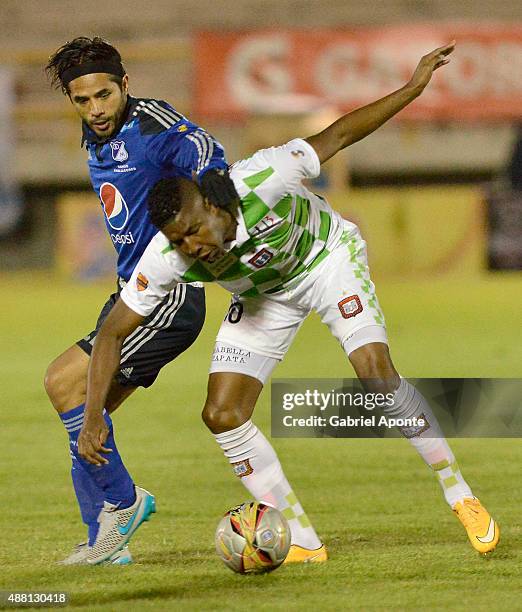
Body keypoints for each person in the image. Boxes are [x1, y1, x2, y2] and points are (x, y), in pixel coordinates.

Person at [79, 42, 499, 564]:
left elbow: (339, 135)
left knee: (375, 375)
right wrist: (94, 414)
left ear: (212, 206)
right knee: (222, 413)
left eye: (193, 232)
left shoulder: (262, 177)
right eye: (179, 242)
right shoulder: (168, 256)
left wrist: (412, 88)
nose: (192, 248)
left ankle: (459, 493)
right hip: (264, 297)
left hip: (326, 261)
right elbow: (114, 331)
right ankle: (300, 538)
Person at [43, 37, 239, 565]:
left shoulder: (149, 122)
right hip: (131, 289)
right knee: (82, 410)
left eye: (104, 95)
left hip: (170, 294)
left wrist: (215, 177)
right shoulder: (95, 134)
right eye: (82, 101)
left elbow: (198, 145)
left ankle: (125, 504)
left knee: (66, 387)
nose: (96, 109)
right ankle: (103, 543)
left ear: (124, 85)